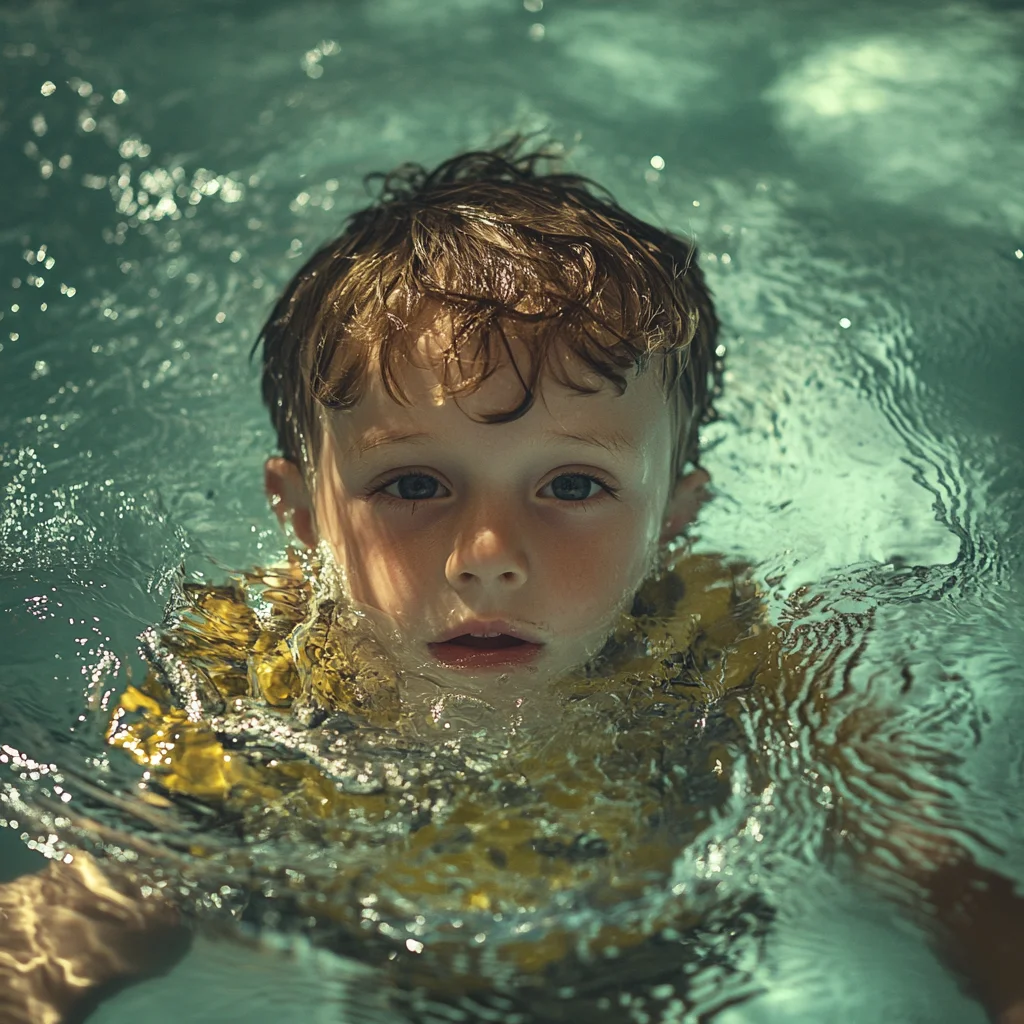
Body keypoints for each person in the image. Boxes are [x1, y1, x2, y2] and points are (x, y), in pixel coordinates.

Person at [1, 139, 1021, 1023]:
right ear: (305, 512)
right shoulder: (250, 672)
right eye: (413, 482)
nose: (486, 551)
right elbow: (99, 904)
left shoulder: (725, 646)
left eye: (571, 482)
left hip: (660, 958)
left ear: (673, 514)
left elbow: (929, 866)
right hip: (343, 950)